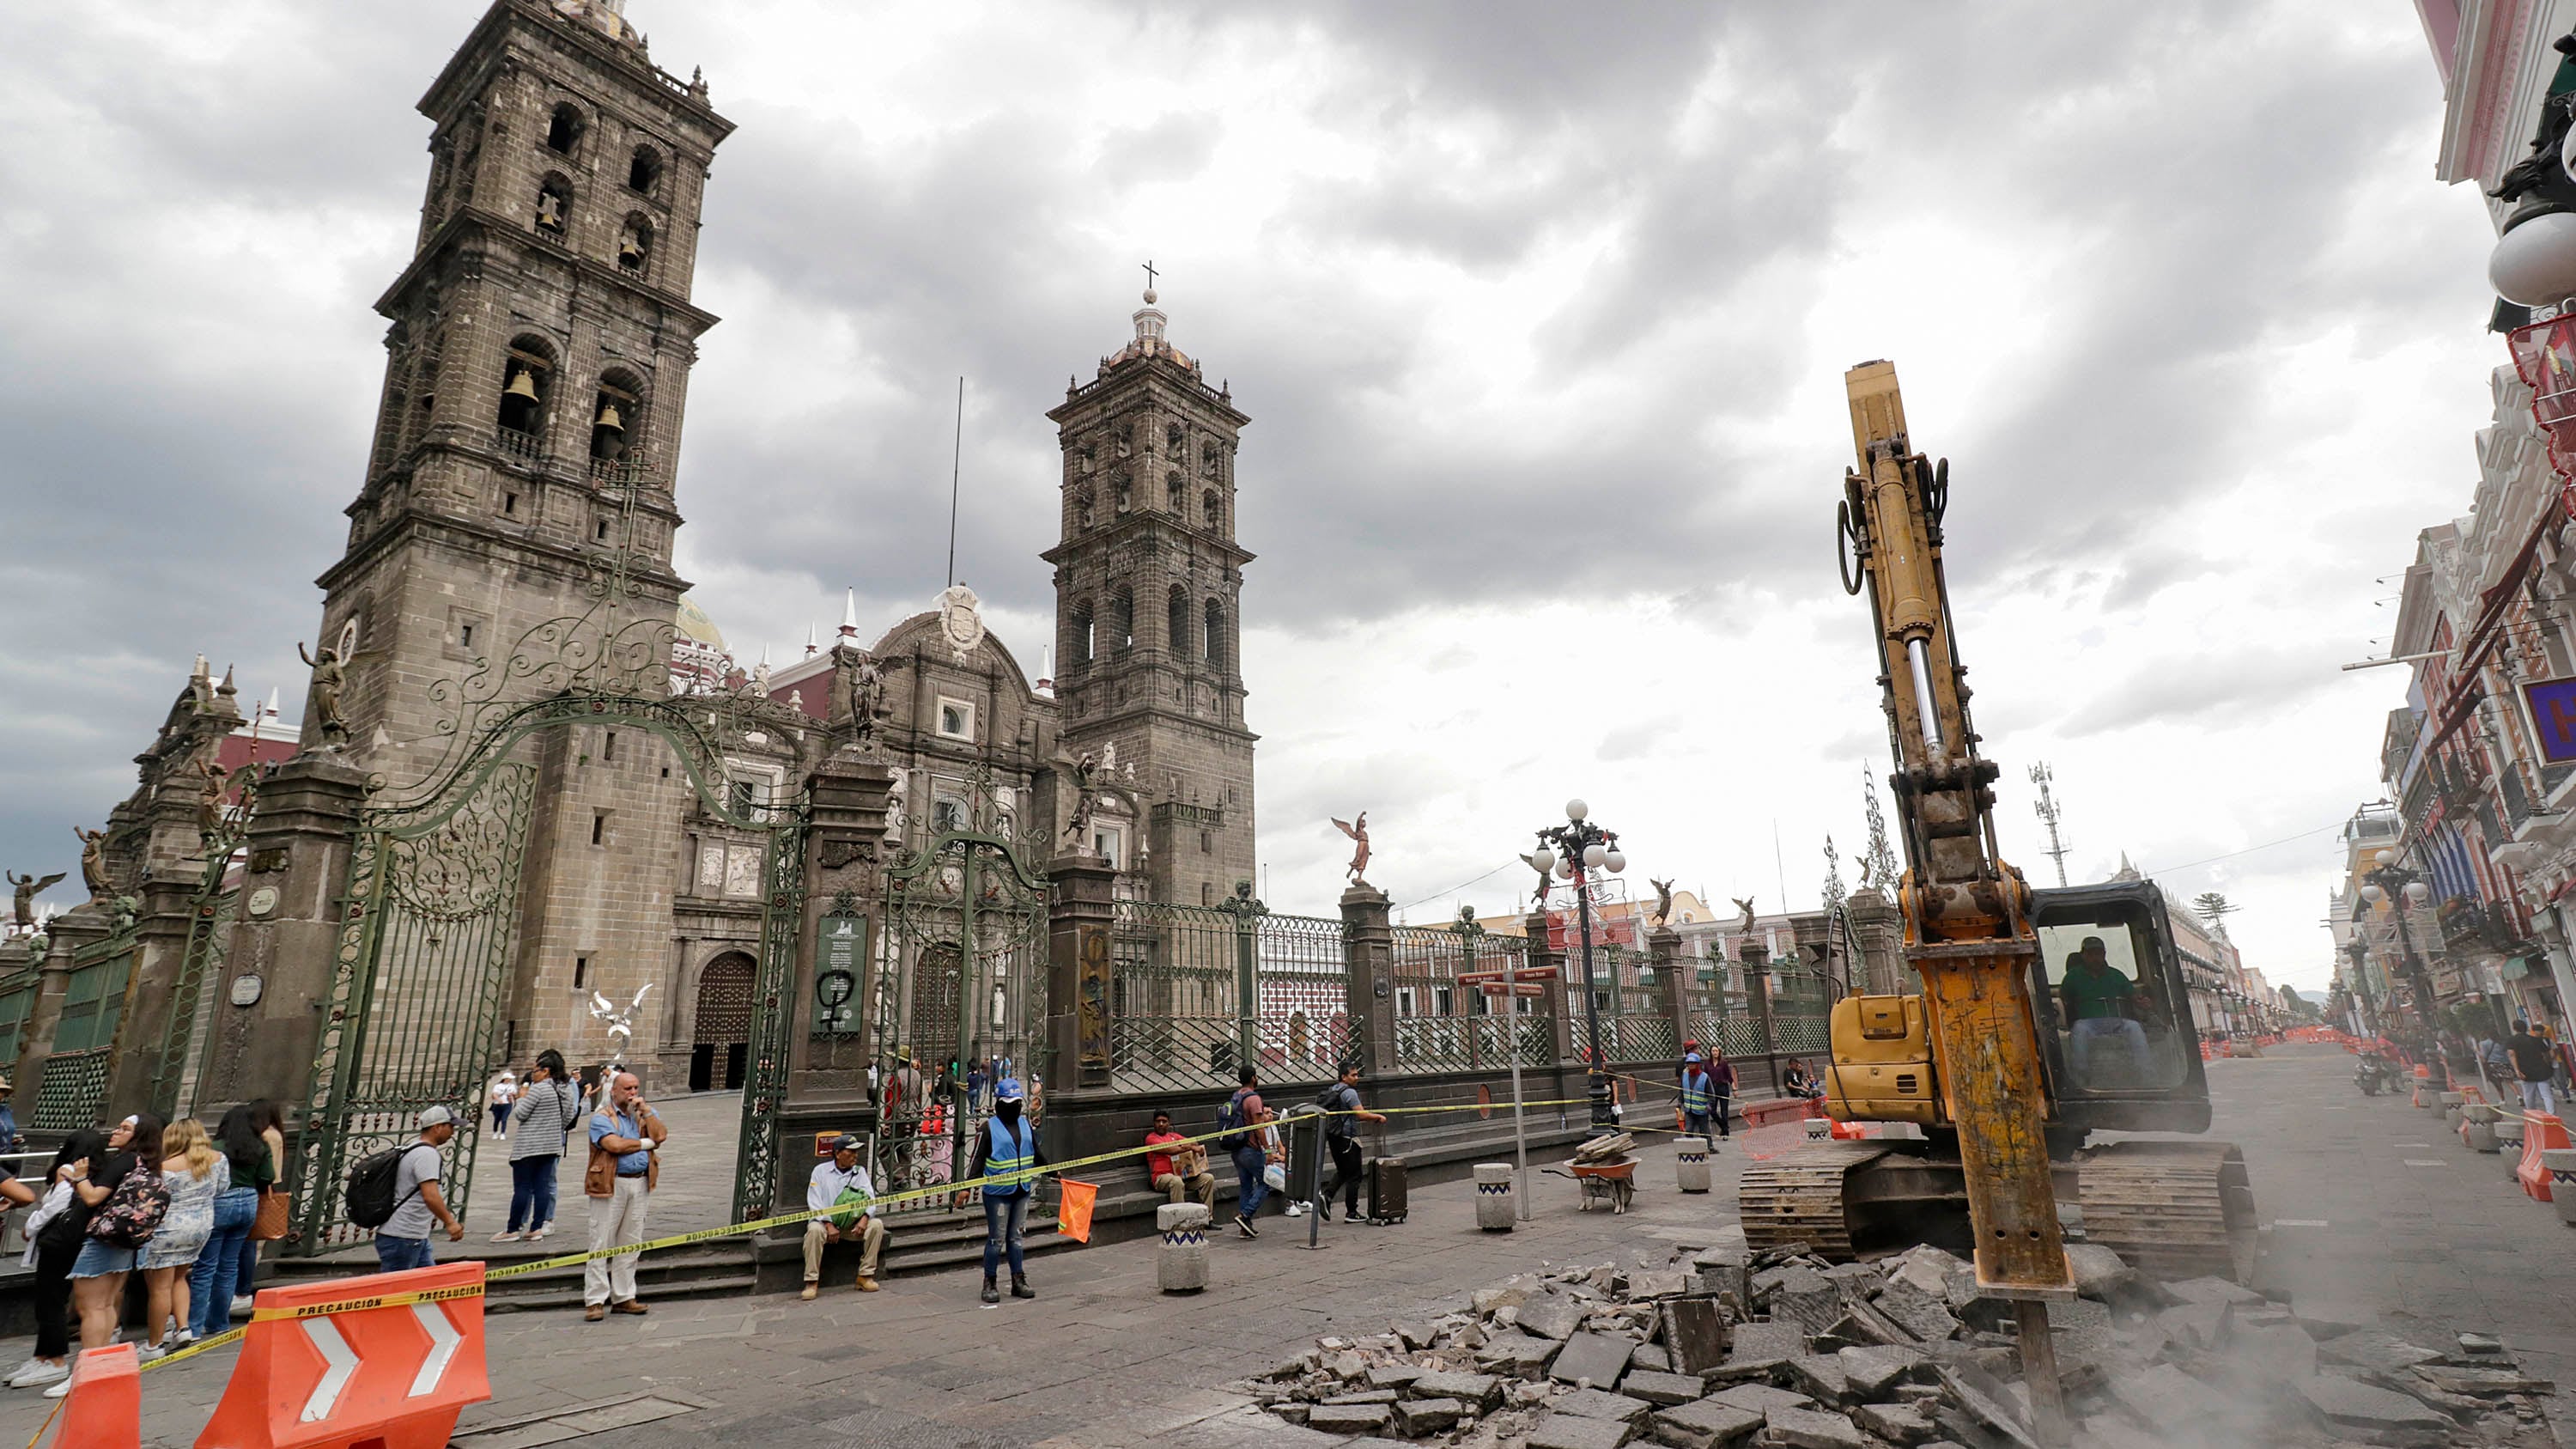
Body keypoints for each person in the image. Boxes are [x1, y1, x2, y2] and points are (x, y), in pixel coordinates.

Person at [65, 1114, 161, 1396]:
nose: (116, 1131)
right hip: (125, 1240)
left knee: (91, 1306)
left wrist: (79, 1177)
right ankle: (100, 1364)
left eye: (125, 1128)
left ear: (138, 1135)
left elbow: (93, 1197)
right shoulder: (148, 1163)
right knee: (106, 1305)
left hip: (105, 1238)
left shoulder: (124, 1161)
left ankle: (87, 1372)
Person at [8, 1130, 99, 1391]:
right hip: (73, 1243)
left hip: (57, 1245)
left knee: (51, 1301)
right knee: (52, 1300)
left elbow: (55, 1206)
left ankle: (55, 1359)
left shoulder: (68, 1170)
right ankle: (42, 1355)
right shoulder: (95, 1173)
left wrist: (30, 1228)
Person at [139, 1118, 225, 1360]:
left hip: (169, 1229)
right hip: (201, 1225)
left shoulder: (166, 1167)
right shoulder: (218, 1160)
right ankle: (183, 1328)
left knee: (160, 1287)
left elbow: (154, 1199)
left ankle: (154, 1344)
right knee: (180, 1277)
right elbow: (221, 1188)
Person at [583, 1071, 665, 1322]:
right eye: (627, 1088)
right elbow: (614, 1146)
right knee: (602, 1240)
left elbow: (660, 1135)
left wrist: (648, 1113)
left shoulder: (643, 1115)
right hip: (611, 1183)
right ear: (613, 1091)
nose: (632, 1093)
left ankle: (624, 1297)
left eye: (636, 1088)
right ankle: (595, 1300)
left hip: (640, 1182)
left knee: (631, 1241)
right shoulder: (602, 1118)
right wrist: (645, 1144)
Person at [189, 1104, 269, 1341]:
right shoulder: (260, 1146)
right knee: (229, 1265)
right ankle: (219, 1322)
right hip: (248, 1203)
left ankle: (193, 1326)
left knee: (205, 1267)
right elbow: (267, 1177)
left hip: (221, 1202)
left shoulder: (215, 1148)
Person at [969, 1076, 1045, 1306]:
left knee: (1017, 1238)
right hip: (997, 1193)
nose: (1014, 1106)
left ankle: (1018, 1280)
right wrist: (966, 1187)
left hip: (1022, 1189)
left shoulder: (1025, 1124)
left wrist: (1052, 1171)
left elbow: (1036, 1152)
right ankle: (990, 1282)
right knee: (996, 1239)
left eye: (1017, 1102)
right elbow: (978, 1159)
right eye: (1009, 1102)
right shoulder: (988, 1127)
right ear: (999, 1102)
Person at [501, 1049, 580, 1242]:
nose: (532, 1074)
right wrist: (553, 1128)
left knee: (523, 1187)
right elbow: (570, 1115)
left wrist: (521, 1096)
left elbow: (520, 1114)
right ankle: (537, 1228)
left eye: (535, 1070)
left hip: (529, 1146)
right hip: (552, 1144)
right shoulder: (565, 1089)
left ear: (546, 1071)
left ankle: (512, 1230)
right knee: (543, 1186)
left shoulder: (538, 1088)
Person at [375, 1106, 464, 1273]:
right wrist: (450, 1222)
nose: (452, 1132)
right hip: (404, 1236)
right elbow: (430, 1195)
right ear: (437, 1127)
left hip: (412, 1235)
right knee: (395, 1293)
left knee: (433, 1286)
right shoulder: (426, 1155)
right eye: (450, 1127)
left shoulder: (413, 1148)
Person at [801, 1134, 884, 1300]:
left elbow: (870, 1198)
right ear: (838, 1154)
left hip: (852, 1226)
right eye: (850, 1152)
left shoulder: (859, 1172)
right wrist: (828, 1224)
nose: (855, 1156)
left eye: (856, 1152)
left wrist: (865, 1218)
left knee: (876, 1225)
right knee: (814, 1231)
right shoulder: (820, 1172)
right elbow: (814, 1201)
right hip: (826, 1225)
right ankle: (811, 1281)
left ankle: (865, 1276)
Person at [231, 1099, 288, 1314]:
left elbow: (267, 1171)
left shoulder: (266, 1136)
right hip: (263, 1189)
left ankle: (243, 1290)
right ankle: (241, 1290)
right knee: (247, 1243)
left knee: (248, 1243)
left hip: (259, 1190)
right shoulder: (274, 1133)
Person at [1313, 1063, 1387, 1222]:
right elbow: (1361, 1114)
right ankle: (1351, 1212)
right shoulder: (1349, 1092)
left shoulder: (1334, 1089)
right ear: (1343, 1077)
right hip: (1347, 1139)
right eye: (1353, 1075)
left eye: (1357, 1074)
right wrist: (1377, 1117)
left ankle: (1327, 1196)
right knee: (1355, 1175)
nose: (1357, 1078)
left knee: (1343, 1171)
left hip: (1334, 1136)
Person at [1223, 1065, 1268, 1239]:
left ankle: (1244, 1228)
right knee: (1266, 1183)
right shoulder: (1253, 1098)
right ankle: (1245, 1215)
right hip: (1251, 1149)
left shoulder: (1236, 1096)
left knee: (1246, 1186)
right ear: (1253, 1078)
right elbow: (1259, 1127)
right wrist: (1268, 1149)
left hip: (1237, 1149)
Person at [1145, 1109, 1216, 1208]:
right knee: (1176, 1181)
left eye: (1164, 1121)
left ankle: (1208, 1218)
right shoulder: (1151, 1138)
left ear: (1169, 1123)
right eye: (1158, 1121)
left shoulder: (1174, 1136)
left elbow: (1194, 1142)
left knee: (1208, 1178)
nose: (1161, 1124)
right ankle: (1180, 1221)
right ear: (1154, 1123)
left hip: (1183, 1177)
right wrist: (1190, 1147)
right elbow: (1170, 1149)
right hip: (1161, 1178)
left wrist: (1192, 1146)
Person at [2509, 1019, 2558, 1116]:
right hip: (2541, 1069)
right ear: (2526, 1028)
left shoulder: (2512, 1041)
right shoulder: (2536, 1040)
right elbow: (2546, 1053)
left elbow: (2511, 1054)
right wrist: (2548, 1065)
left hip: (2525, 1071)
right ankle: (2552, 1115)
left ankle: (2533, 1114)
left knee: (2529, 1095)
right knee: (2547, 1094)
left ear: (2514, 1029)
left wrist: (2517, 1070)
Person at [1679, 1053, 1716, 1141]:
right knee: (1688, 1130)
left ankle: (1709, 1147)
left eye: (1693, 1063)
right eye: (1689, 1064)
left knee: (1704, 1131)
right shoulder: (1684, 1076)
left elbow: (1711, 1095)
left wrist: (1709, 1105)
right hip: (1689, 1110)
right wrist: (1680, 1102)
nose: (1691, 1065)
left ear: (1698, 1064)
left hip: (1702, 1110)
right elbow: (1681, 1091)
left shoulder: (1705, 1077)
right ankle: (1690, 1150)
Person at [489, 1071, 519, 1135]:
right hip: (497, 1104)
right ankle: (495, 1132)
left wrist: (513, 1095)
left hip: (508, 1104)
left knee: (504, 1119)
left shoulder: (512, 1086)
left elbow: (515, 1095)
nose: (510, 1080)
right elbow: (494, 1094)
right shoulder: (498, 1086)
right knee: (497, 1119)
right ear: (505, 1079)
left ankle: (503, 1133)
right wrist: (498, 1099)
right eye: (509, 1078)